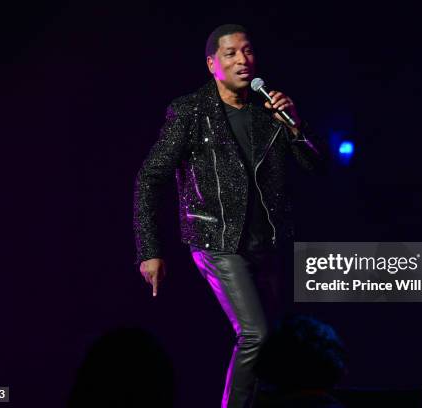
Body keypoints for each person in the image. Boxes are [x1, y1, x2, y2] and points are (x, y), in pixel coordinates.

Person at [133, 23, 327, 408]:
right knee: (256, 334)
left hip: (265, 242)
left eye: (248, 51)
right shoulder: (191, 111)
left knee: (270, 343)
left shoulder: (267, 113)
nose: (243, 60)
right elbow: (148, 178)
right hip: (215, 241)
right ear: (212, 64)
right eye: (231, 53)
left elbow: (315, 168)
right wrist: (149, 249)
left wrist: (295, 126)